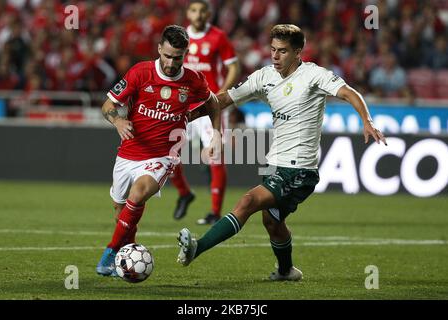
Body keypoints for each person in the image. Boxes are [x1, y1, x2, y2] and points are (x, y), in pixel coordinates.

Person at [176, 24, 387, 281]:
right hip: (275, 164)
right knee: (272, 223)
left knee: (248, 202)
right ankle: (287, 271)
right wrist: (188, 115)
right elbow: (222, 100)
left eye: (283, 51)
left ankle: (196, 248)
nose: (275, 56)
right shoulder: (264, 77)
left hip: (300, 169)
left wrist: (367, 120)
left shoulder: (314, 75)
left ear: (298, 52)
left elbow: (349, 93)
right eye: (273, 50)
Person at [96, 25, 222, 276]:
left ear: (185, 54)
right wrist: (119, 121)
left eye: (178, 57)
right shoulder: (140, 73)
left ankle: (110, 252)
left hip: (163, 154)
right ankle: (127, 256)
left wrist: (216, 135)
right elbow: (108, 104)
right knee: (120, 211)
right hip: (129, 151)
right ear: (159, 49)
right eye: (167, 56)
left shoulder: (193, 80)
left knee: (139, 192)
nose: (171, 63)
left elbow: (213, 103)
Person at [170, 0, 241, 225]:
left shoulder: (218, 36)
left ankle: (214, 212)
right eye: (194, 10)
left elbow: (234, 67)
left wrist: (221, 92)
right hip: (184, 105)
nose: (198, 15)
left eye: (202, 11)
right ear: (188, 14)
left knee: (215, 156)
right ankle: (184, 192)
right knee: (167, 153)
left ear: (208, 14)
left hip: (210, 104)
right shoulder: (180, 38)